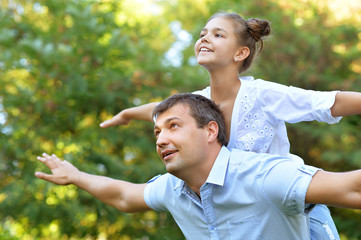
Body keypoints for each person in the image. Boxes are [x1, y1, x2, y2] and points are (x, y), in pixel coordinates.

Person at [99, 12, 361, 240]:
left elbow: (328, 102)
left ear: (240, 52)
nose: (204, 38)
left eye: (218, 35)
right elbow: (160, 109)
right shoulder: (199, 102)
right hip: (245, 216)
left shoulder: (262, 95)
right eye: (203, 34)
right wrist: (127, 114)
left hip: (294, 209)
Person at [37, 93, 361, 240]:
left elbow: (350, 187)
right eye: (157, 131)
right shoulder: (172, 190)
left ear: (210, 131)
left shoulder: (261, 175)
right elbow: (123, 196)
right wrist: (77, 176)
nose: (161, 139)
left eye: (173, 126)